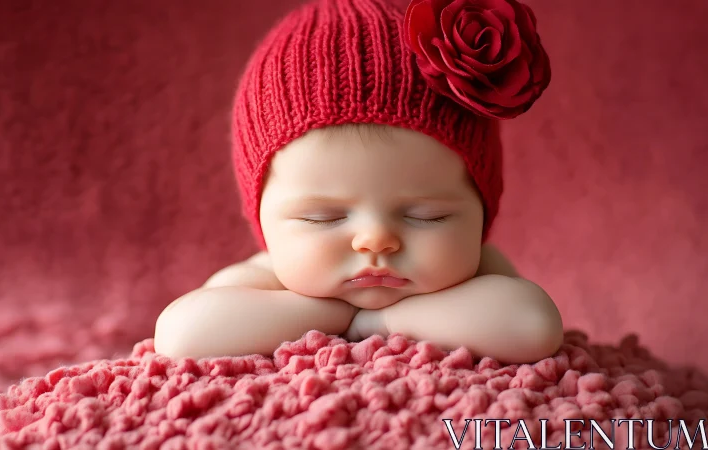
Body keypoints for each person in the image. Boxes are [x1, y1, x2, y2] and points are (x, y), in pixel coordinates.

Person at [154, 0, 563, 364]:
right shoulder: (265, 280)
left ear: (480, 212)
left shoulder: (482, 272)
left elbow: (532, 326)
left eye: (428, 215)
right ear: (263, 216)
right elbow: (180, 335)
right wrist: (338, 316)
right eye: (321, 217)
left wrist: (378, 319)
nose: (375, 240)